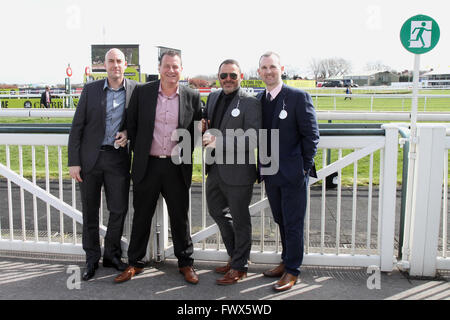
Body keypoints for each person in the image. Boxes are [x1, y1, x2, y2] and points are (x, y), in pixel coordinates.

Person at [114, 51, 202, 285]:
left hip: (176, 166)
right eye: (167, 66)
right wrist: (124, 133)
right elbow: (130, 123)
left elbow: (196, 130)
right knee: (141, 216)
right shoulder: (144, 92)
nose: (171, 70)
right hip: (147, 165)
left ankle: (186, 263)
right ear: (160, 67)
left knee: (179, 218)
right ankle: (135, 263)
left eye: (175, 67)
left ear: (181, 69)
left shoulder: (192, 96)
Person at [68, 48, 137, 281]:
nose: (115, 65)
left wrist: (128, 133)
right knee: (90, 212)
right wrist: (74, 162)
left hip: (117, 159)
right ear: (103, 65)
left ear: (125, 64)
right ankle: (91, 259)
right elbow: (77, 127)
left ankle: (112, 255)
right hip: (90, 161)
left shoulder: (135, 90)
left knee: (118, 210)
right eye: (111, 61)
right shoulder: (90, 90)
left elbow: (141, 123)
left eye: (119, 61)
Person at [257, 52, 319, 292]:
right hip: (270, 171)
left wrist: (303, 167)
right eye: (264, 67)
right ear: (259, 71)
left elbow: (312, 135)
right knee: (280, 219)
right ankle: (286, 261)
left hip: (293, 173)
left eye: (272, 66)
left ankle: (293, 270)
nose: (269, 71)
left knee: (293, 222)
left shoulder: (298, 96)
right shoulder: (260, 99)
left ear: (281, 68)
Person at [202, 59, 261, 285]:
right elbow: (208, 120)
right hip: (215, 168)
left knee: (240, 219)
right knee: (216, 211)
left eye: (232, 76)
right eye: (224, 75)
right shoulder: (214, 96)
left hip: (238, 172)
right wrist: (202, 126)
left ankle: (240, 266)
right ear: (219, 77)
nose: (228, 79)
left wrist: (220, 141)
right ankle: (235, 256)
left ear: (241, 77)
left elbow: (253, 138)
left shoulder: (250, 102)